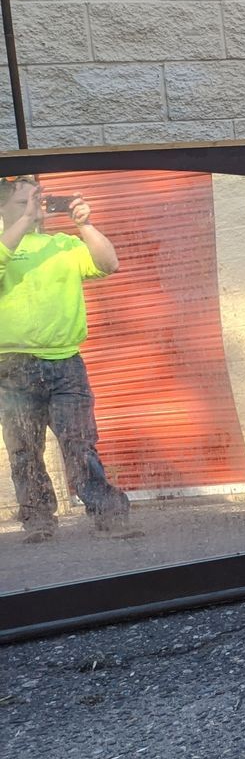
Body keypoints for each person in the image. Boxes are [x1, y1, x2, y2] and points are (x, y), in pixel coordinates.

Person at [0, 176, 132, 541]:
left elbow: (109, 264)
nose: (33, 209)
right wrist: (24, 222)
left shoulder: (62, 244)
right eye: (21, 202)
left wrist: (84, 224)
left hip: (66, 363)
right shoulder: (3, 244)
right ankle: (39, 521)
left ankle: (108, 516)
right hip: (12, 367)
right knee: (24, 450)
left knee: (79, 442)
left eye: (36, 201)